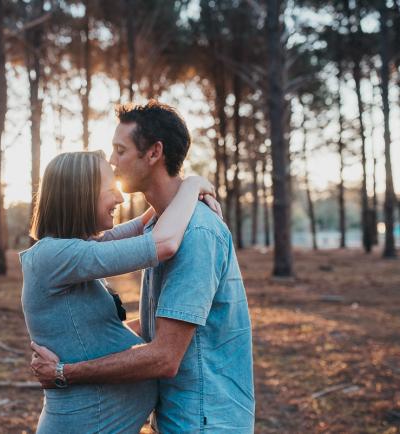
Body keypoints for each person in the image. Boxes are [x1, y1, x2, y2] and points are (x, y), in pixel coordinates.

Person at [31, 101, 255, 433]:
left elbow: (165, 356)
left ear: (153, 154)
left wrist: (66, 371)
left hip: (204, 420)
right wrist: (186, 189)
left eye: (120, 150)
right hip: (180, 416)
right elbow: (159, 322)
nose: (111, 160)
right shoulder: (161, 227)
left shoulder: (194, 233)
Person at [21, 149, 219, 433]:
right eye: (111, 189)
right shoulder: (55, 255)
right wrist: (191, 186)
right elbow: (163, 244)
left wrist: (175, 187)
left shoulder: (71, 249)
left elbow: (139, 226)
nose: (120, 197)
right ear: (81, 194)